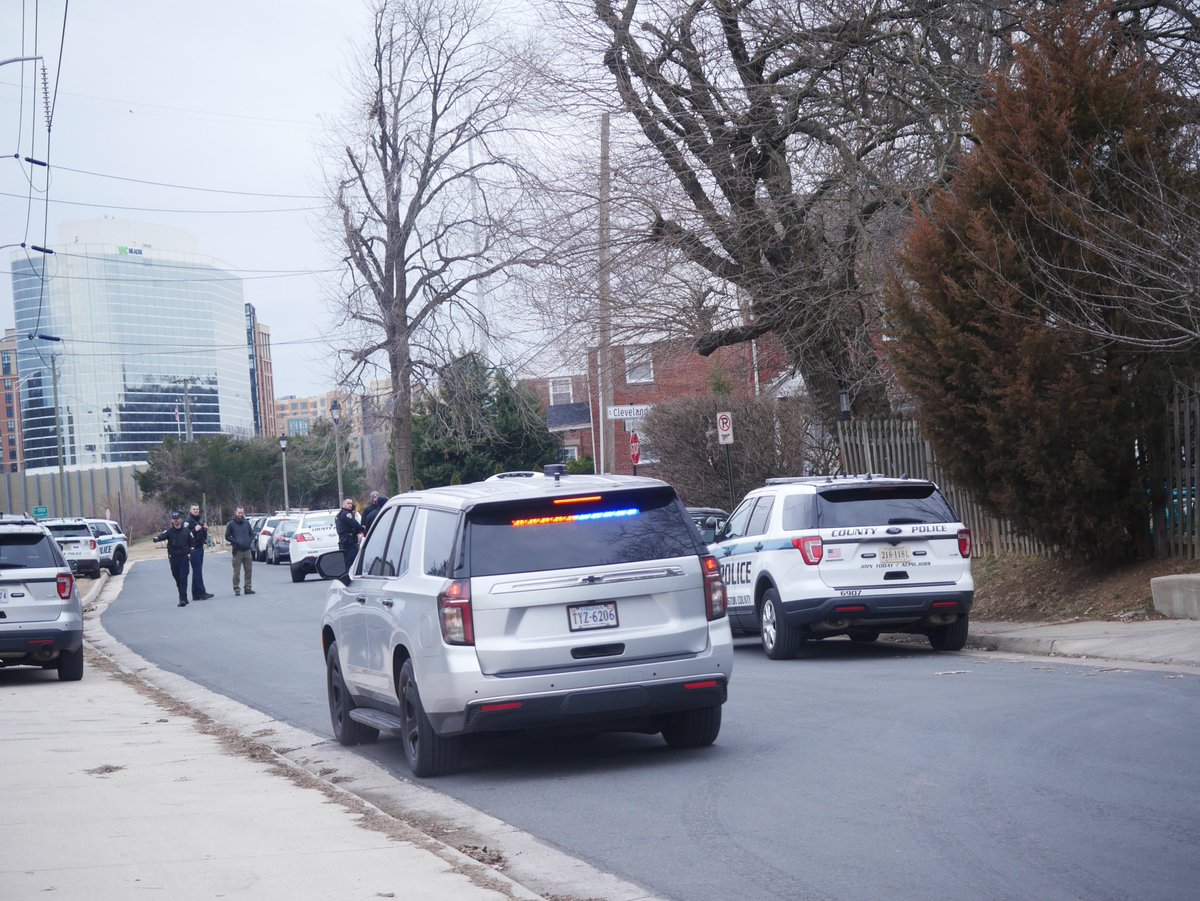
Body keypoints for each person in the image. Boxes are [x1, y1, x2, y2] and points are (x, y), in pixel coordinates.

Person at [152, 511, 195, 607]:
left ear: (181, 519)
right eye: (174, 519)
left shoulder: (186, 531)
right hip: (173, 559)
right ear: (172, 520)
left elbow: (192, 542)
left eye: (177, 519)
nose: (176, 521)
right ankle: (184, 597)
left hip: (184, 558)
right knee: (178, 579)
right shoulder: (169, 531)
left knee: (183, 578)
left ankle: (182, 599)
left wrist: (192, 549)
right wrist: (156, 538)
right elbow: (162, 536)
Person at [185, 503, 214, 600]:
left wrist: (205, 529)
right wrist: (194, 530)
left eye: (197, 509)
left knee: (197, 571)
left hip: (200, 547)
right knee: (198, 571)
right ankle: (202, 592)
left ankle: (195, 594)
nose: (196, 511)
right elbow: (185, 536)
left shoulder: (197, 520)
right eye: (194, 509)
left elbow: (202, 535)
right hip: (193, 549)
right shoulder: (188, 521)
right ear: (190, 510)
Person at [225, 506, 255, 596]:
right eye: (239, 513)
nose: (240, 514)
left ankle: (248, 587)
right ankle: (236, 588)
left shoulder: (247, 523)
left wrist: (249, 541)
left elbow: (251, 533)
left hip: (247, 550)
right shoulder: (231, 524)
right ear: (235, 513)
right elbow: (227, 536)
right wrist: (234, 541)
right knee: (236, 572)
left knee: (248, 570)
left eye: (242, 513)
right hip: (237, 551)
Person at [335, 497, 365, 571]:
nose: (350, 505)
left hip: (344, 541)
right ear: (343, 504)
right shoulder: (346, 514)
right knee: (353, 561)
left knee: (347, 562)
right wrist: (363, 529)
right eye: (348, 503)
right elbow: (355, 525)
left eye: (351, 503)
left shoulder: (339, 515)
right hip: (349, 541)